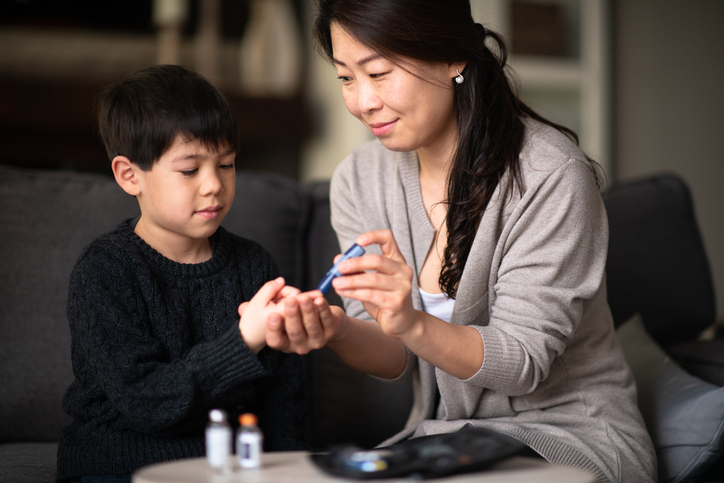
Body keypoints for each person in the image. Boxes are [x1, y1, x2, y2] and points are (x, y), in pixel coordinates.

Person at [264, 1, 657, 482]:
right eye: (347, 78)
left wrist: (409, 320)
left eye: (380, 72)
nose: (362, 101)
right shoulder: (360, 180)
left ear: (453, 57)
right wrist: (333, 328)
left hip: (570, 439)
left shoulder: (550, 176)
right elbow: (394, 357)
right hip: (448, 441)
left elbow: (522, 364)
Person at [56, 64, 306, 483]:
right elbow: (145, 401)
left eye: (226, 165)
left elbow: (283, 402)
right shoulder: (105, 270)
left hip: (227, 466)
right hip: (121, 465)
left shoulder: (254, 265)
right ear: (129, 175)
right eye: (190, 170)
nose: (213, 185)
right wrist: (244, 341)